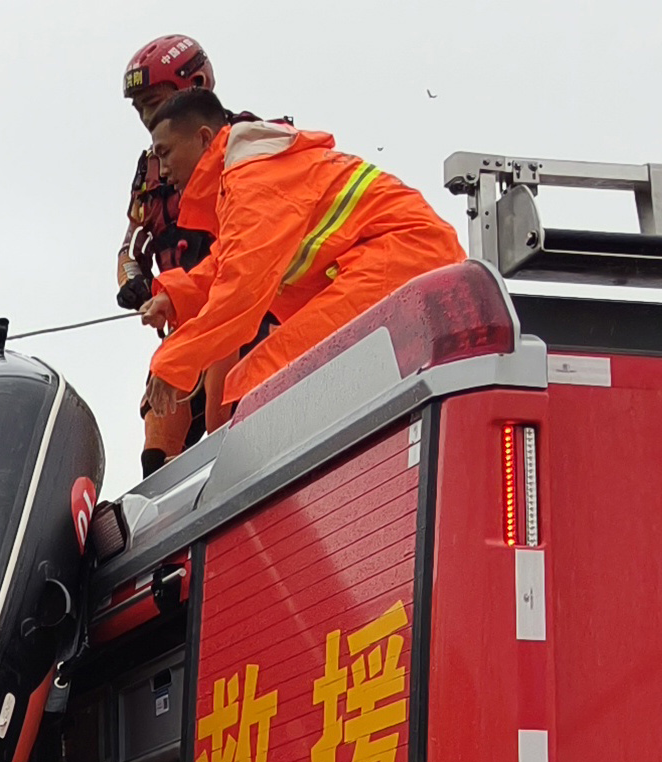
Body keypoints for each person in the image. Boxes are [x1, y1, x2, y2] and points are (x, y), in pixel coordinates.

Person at [137, 87, 466, 422]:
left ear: (204, 138)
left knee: (261, 383)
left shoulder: (253, 180)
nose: (162, 171)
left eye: (165, 153)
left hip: (405, 261)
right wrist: (177, 298)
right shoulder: (252, 175)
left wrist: (174, 362)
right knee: (256, 383)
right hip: (402, 260)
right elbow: (230, 261)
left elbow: (242, 289)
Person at [116, 33, 221, 473]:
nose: (146, 115)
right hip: (178, 321)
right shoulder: (150, 170)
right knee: (157, 452)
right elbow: (132, 241)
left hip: (235, 313)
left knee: (229, 429)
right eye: (139, 106)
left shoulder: (236, 144)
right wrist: (131, 280)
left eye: (154, 100)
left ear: (195, 84)